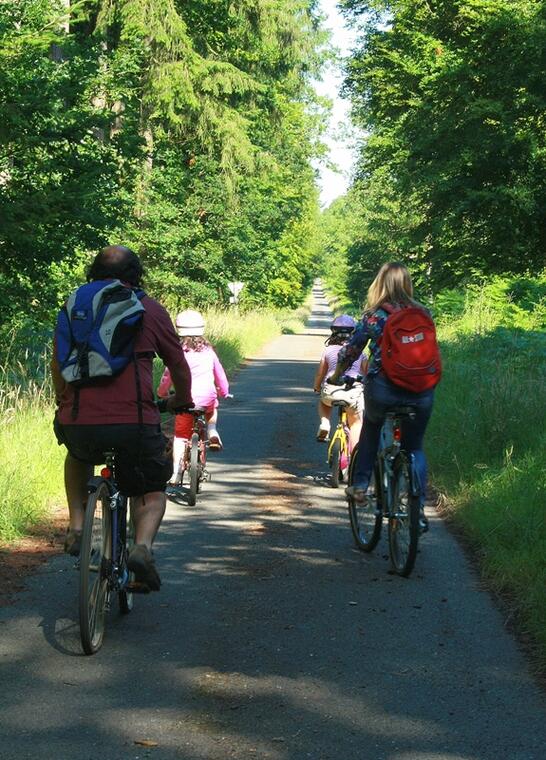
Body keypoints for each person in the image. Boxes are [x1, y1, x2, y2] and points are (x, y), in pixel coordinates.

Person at [52, 245, 193, 590]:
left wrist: (63, 401)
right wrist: (183, 400)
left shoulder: (75, 305)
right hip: (134, 423)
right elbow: (178, 364)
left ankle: (77, 525)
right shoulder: (149, 308)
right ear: (136, 274)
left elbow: (57, 363)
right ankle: (141, 547)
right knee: (151, 485)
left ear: (93, 272)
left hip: (79, 421)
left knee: (78, 456)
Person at [329, 262, 436, 529]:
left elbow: (351, 351)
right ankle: (418, 510)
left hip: (384, 389)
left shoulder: (373, 317)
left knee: (371, 429)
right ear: (407, 284)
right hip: (421, 390)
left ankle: (361, 486)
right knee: (414, 448)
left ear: (380, 284)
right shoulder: (424, 313)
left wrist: (336, 375)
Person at [157, 309, 229, 485]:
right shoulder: (209, 352)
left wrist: (162, 392)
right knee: (212, 409)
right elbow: (219, 374)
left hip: (184, 399)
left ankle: (175, 473)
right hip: (207, 398)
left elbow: (168, 376)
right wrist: (224, 391)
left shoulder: (177, 353)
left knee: (181, 436)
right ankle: (212, 430)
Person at [313, 314, 366, 451]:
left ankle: (325, 423)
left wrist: (317, 387)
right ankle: (354, 456)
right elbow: (367, 372)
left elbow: (321, 373)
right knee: (355, 423)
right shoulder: (360, 353)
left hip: (331, 390)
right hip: (353, 391)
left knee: (323, 401)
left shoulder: (328, 350)